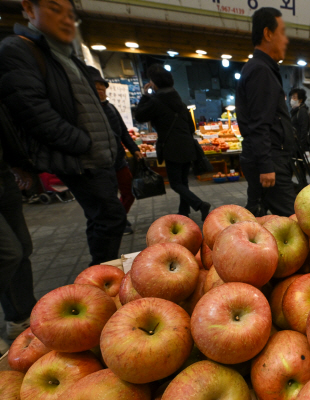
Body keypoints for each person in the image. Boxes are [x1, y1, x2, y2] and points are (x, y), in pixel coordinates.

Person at [0, 0, 127, 267]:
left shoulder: (66, 57)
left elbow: (90, 105)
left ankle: (103, 274)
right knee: (109, 217)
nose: (66, 20)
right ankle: (102, 278)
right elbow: (31, 109)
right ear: (30, 8)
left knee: (106, 218)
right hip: (82, 158)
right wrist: (81, 143)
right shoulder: (20, 49)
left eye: (70, 14)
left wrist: (110, 147)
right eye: (55, 9)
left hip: (98, 156)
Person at [236, 7, 296, 217]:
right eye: (282, 32)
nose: (286, 40)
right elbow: (259, 123)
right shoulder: (261, 70)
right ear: (268, 33)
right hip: (269, 158)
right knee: (293, 220)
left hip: (267, 156)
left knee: (258, 212)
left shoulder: (261, 68)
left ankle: (243, 245)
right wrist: (266, 164)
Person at [135, 64, 211, 220]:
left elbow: (139, 116)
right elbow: (191, 126)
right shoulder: (180, 102)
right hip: (188, 146)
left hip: (171, 147)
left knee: (176, 183)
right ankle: (184, 211)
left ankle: (200, 204)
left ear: (154, 84)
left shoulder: (155, 102)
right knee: (183, 181)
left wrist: (145, 95)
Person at [88, 67, 143, 235]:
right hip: (99, 163)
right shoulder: (88, 112)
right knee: (108, 198)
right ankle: (118, 222)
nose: (100, 91)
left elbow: (124, 133)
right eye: (96, 88)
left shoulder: (111, 108)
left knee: (129, 192)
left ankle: (120, 218)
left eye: (102, 88)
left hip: (118, 160)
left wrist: (135, 150)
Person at [0, 141, 37, 349]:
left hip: (4, 173)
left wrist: (19, 163)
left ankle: (20, 315)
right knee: (8, 253)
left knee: (23, 248)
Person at [289, 88, 310, 155]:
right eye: (292, 97)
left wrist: (301, 147)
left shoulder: (302, 111)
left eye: (294, 97)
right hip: (294, 145)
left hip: (299, 147)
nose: (292, 99)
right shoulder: (295, 111)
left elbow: (304, 130)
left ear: (300, 100)